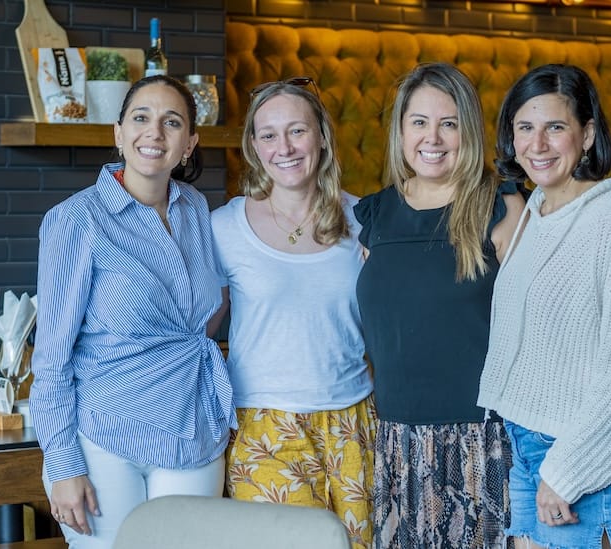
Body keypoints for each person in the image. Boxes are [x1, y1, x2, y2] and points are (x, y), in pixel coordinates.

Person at [30, 75, 237, 548]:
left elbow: (206, 310)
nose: (154, 133)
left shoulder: (198, 209)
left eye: (172, 122)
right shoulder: (76, 219)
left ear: (190, 144)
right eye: (141, 119)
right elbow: (52, 358)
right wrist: (62, 462)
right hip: (105, 435)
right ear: (118, 134)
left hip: (193, 428)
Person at [477, 63, 611, 549]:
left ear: (586, 135)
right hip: (527, 446)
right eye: (525, 128)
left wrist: (568, 471)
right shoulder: (536, 214)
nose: (537, 145)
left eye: (555, 127)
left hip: (582, 455)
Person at [354, 62, 525, 548]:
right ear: (401, 131)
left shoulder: (502, 207)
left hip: (484, 443)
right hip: (396, 443)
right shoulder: (375, 214)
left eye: (449, 123)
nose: (433, 137)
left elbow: (538, 330)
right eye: (419, 122)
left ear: (467, 131)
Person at [210, 77, 376, 548]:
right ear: (254, 146)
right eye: (268, 134)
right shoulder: (224, 226)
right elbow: (197, 330)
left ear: (321, 135)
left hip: (353, 423)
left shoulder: (366, 219)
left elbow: (389, 324)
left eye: (297, 131)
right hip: (263, 423)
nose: (283, 147)